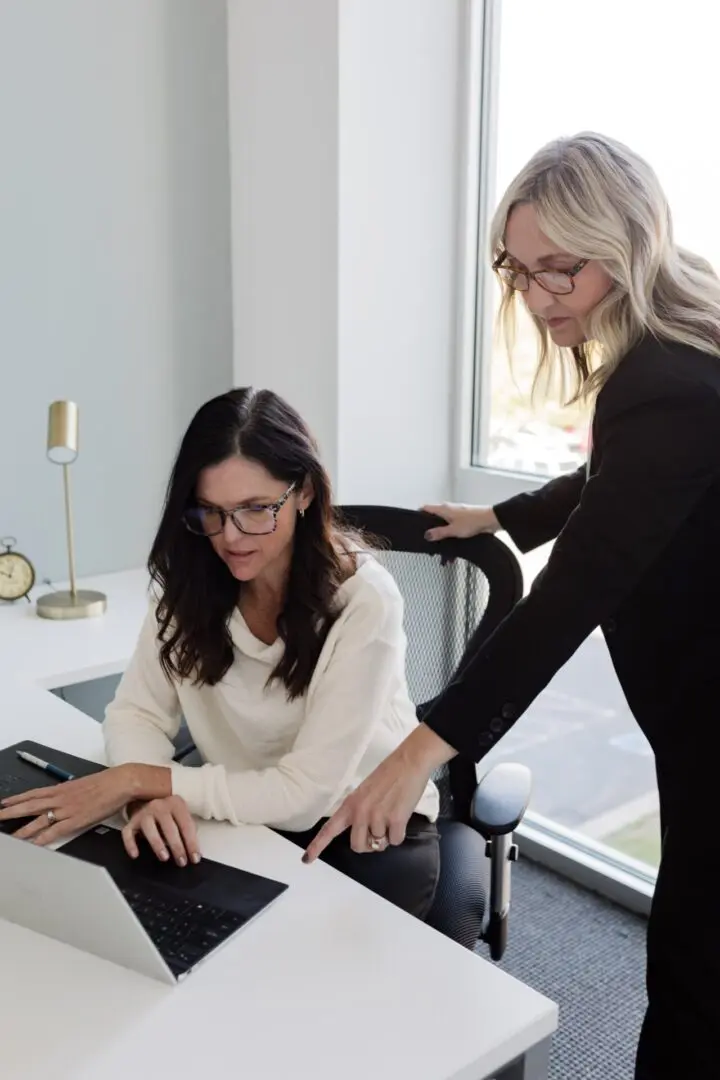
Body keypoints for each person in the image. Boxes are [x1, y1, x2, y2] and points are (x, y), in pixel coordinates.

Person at [304, 132, 720, 1077]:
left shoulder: (668, 384)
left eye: (559, 272)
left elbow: (568, 596)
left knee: (694, 981)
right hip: (699, 721)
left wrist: (419, 753)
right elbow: (610, 481)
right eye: (518, 271)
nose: (535, 298)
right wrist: (500, 514)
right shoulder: (677, 353)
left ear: (626, 248)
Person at [0, 388, 440, 920]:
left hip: (358, 825)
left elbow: (303, 795)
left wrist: (138, 778)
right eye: (211, 511)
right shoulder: (191, 580)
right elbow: (137, 711)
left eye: (256, 509)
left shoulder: (364, 601)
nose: (230, 537)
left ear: (303, 493)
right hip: (239, 814)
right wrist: (147, 795)